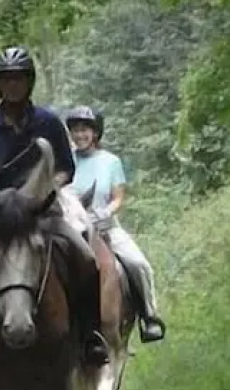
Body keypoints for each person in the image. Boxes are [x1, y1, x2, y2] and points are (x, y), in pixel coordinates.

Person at [0, 46, 112, 375]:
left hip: (41, 211)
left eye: (19, 79)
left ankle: (90, 337)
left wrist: (42, 185)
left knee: (85, 257)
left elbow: (66, 169)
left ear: (30, 82)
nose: (13, 86)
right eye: (7, 80)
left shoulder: (48, 121)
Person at [64, 105, 166, 342]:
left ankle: (149, 317)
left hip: (104, 226)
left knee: (139, 264)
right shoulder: (66, 161)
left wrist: (106, 211)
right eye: (76, 130)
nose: (80, 135)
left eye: (85, 130)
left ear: (95, 133)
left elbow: (118, 197)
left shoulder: (111, 162)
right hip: (70, 229)